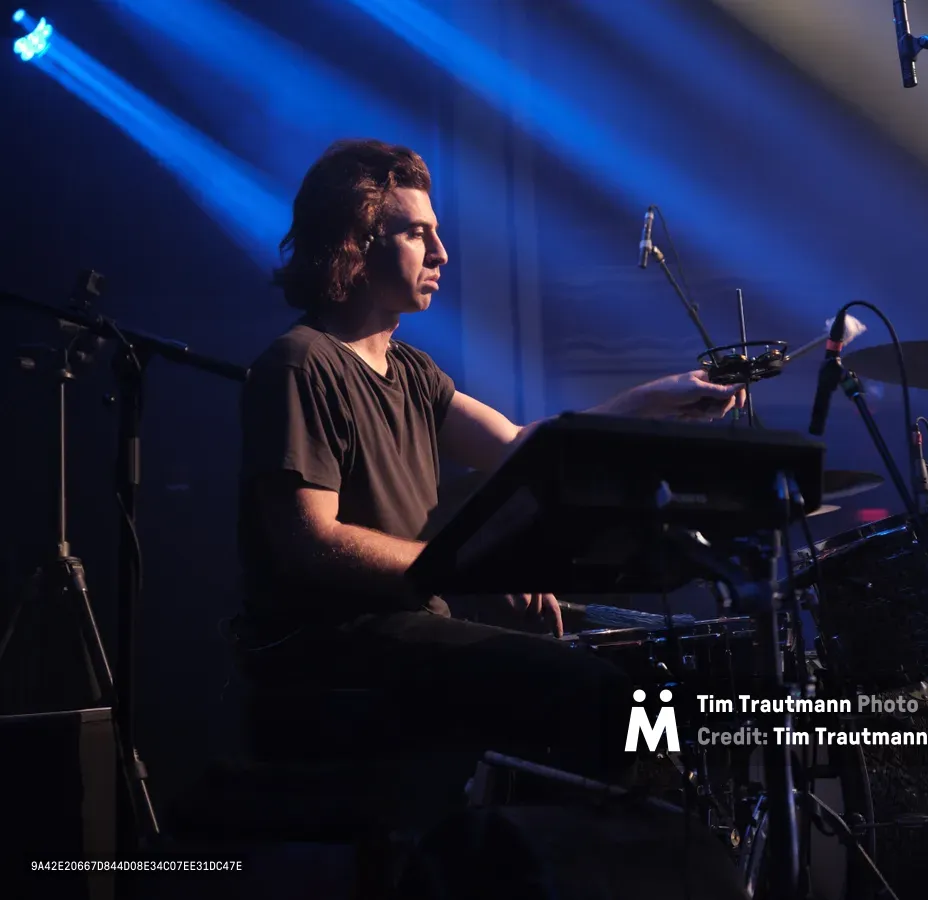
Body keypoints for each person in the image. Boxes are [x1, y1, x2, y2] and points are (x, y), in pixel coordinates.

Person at [233, 138, 744, 781]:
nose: (441, 252)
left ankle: (683, 835)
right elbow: (310, 543)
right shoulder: (301, 362)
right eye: (418, 233)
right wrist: (467, 570)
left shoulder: (413, 371)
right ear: (354, 245)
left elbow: (519, 447)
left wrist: (649, 402)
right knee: (602, 690)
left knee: (669, 662)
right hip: (334, 643)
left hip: (410, 626)